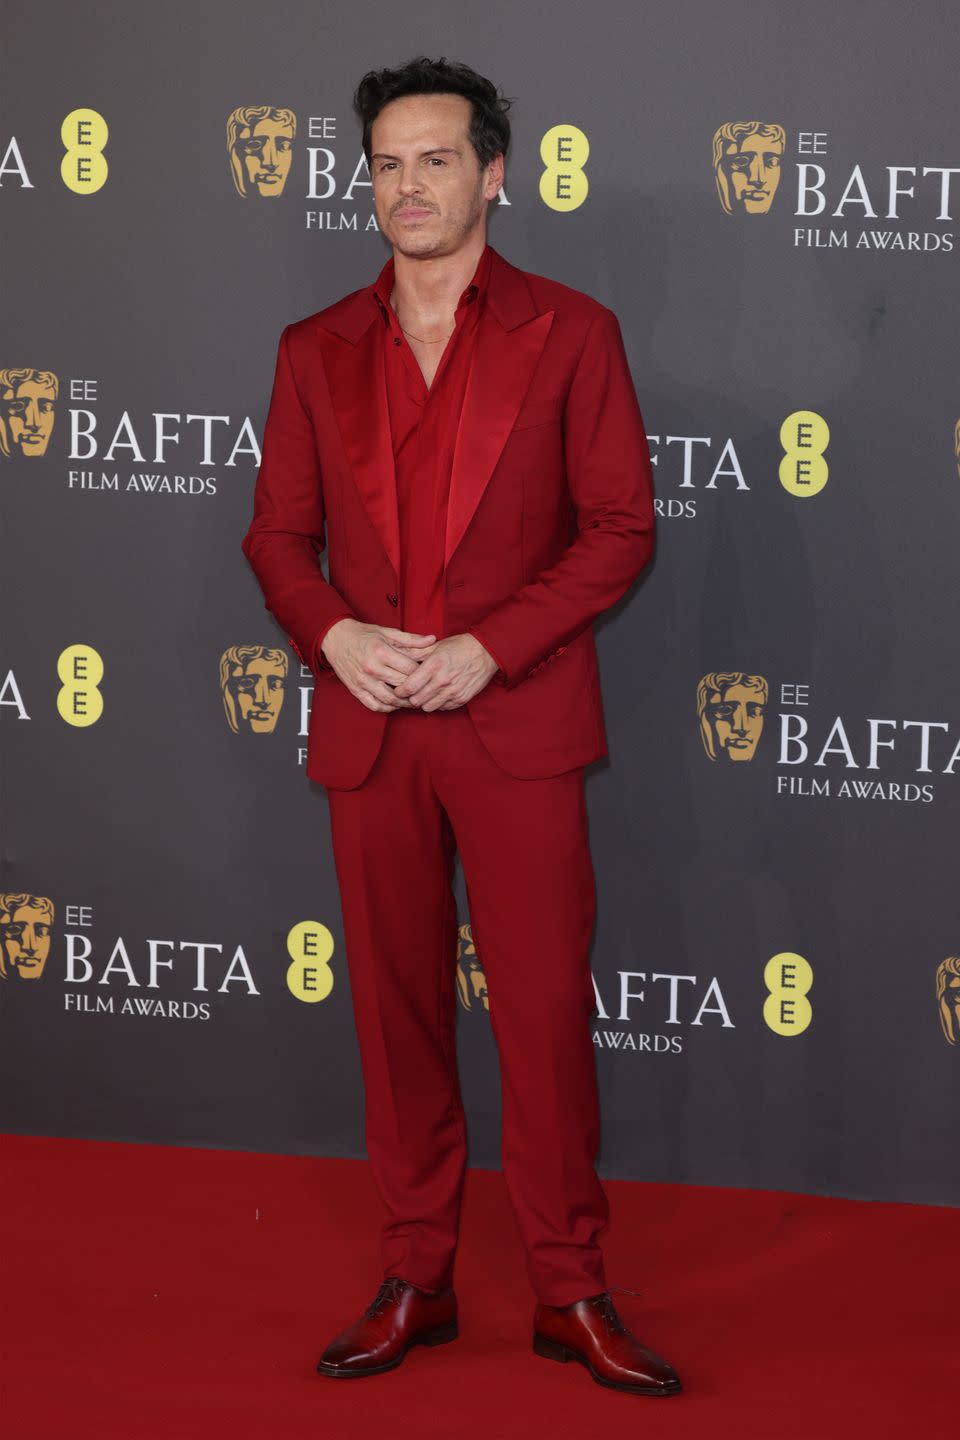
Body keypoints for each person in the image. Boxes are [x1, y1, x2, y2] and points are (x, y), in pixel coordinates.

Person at [240, 55, 681, 1398]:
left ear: (495, 172)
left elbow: (619, 531)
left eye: (436, 158)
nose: (409, 185)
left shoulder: (573, 332)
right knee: (397, 1014)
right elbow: (276, 538)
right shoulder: (314, 347)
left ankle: (569, 1286)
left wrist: (492, 647)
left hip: (517, 722)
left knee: (543, 1015)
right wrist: (337, 637)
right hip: (372, 728)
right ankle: (419, 1272)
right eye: (386, 162)